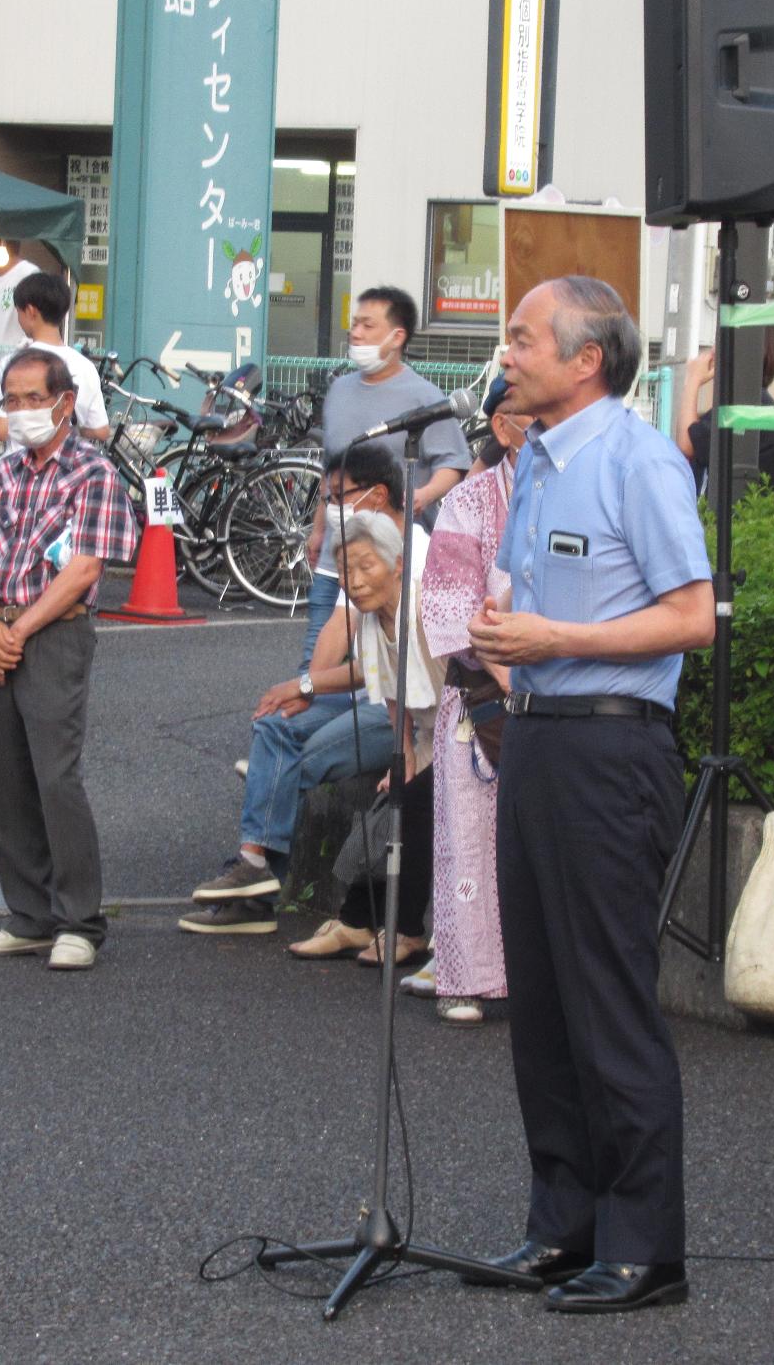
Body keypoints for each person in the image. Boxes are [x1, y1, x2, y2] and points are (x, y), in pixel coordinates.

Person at [464, 276, 712, 1314]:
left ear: (585, 360)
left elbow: (692, 616)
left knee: (607, 999)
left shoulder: (636, 458)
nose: (504, 354)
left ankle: (644, 1247)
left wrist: (554, 641)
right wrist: (504, 633)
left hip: (611, 752)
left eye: (522, 338)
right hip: (535, 742)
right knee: (543, 1006)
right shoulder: (533, 464)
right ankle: (560, 1226)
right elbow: (537, 595)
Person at [178, 443, 408, 936]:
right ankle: (253, 866)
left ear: (378, 494)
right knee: (277, 721)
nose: (331, 509)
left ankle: (258, 893)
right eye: (326, 499)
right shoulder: (363, 546)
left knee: (302, 757)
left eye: (339, 497)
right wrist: (302, 689)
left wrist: (407, 753)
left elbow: (395, 668)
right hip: (377, 693)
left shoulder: (413, 553)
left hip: (409, 709)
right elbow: (341, 630)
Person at [0, 348, 135, 971]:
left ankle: (79, 921)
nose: (24, 410)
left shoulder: (93, 473)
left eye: (35, 398)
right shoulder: (4, 474)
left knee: (55, 775)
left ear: (65, 402)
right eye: (12, 399)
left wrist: (19, 629)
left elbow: (85, 568)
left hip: (55, 631)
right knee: (5, 775)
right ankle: (28, 915)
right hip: (0, 631)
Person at [413, 382, 526, 1023]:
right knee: (470, 842)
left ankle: (533, 976)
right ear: (503, 428)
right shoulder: (467, 502)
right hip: (484, 691)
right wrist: (511, 678)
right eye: (533, 421)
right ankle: (466, 977)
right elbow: (451, 613)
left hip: (558, 688)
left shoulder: (576, 495)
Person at [284, 508, 437, 967]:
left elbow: (461, 687)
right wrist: (404, 752)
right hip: (427, 730)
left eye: (367, 566)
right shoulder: (373, 620)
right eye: (347, 570)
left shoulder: (425, 605)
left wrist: (422, 762)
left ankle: (407, 930)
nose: (356, 580)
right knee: (388, 797)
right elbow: (391, 692)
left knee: (414, 803)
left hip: (468, 729)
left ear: (397, 564)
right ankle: (356, 920)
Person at [300, 286, 469, 675]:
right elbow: (333, 472)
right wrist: (319, 528)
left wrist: (422, 495)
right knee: (317, 659)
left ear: (397, 337)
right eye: (354, 324)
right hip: (335, 556)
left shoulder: (423, 395)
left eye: (367, 325)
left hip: (386, 557)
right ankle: (302, 717)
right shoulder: (339, 390)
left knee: (381, 669)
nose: (355, 333)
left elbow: (454, 463)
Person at [0, 271, 111, 443]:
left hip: (22, 464)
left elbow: (2, 430)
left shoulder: (14, 363)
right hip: (66, 463)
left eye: (18, 312)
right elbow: (101, 431)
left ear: (30, 311)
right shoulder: (85, 366)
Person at [671, 326, 774, 492]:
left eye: (719, 343)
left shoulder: (750, 405)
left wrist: (694, 379)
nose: (713, 352)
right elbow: (691, 435)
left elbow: (687, 444)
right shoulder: (746, 401)